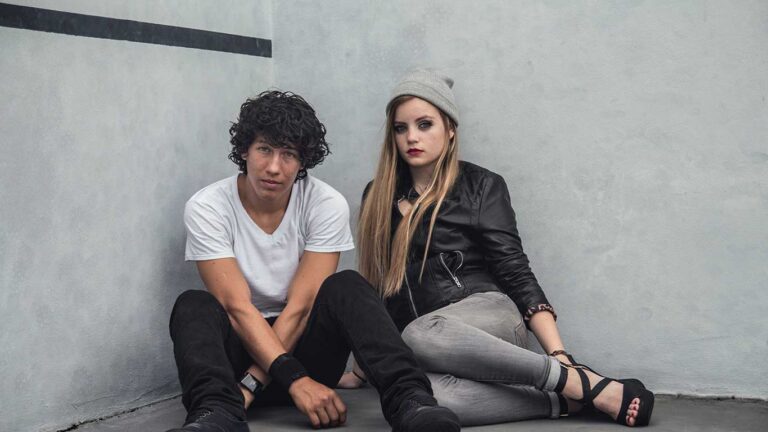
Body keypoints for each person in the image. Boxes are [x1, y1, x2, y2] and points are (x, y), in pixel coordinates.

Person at [343, 69, 655, 427]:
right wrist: (363, 369)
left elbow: (514, 269)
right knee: (421, 396)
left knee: (420, 334)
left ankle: (576, 380)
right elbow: (378, 286)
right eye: (401, 128)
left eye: (425, 124)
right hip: (429, 345)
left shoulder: (481, 186)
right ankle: (569, 401)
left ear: (450, 129)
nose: (412, 137)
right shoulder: (378, 196)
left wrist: (559, 353)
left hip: (488, 317)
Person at [167, 90, 461, 432]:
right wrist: (277, 384)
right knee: (193, 304)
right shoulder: (208, 206)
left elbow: (302, 307)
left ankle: (411, 401)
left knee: (346, 285)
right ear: (245, 149)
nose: (274, 167)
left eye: (288, 154)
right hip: (236, 366)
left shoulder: (325, 203)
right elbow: (236, 308)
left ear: (303, 161)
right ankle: (215, 414)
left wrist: (271, 383)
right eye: (264, 149)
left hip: (306, 358)